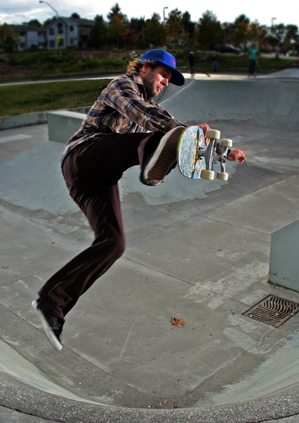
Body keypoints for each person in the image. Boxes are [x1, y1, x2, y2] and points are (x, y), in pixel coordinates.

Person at [32, 49, 246, 351]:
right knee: (157, 137)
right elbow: (144, 115)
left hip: (97, 182)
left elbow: (178, 131)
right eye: (162, 75)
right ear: (145, 67)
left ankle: (51, 304)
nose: (164, 83)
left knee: (113, 243)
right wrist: (183, 134)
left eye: (169, 81)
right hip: (82, 159)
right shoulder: (121, 85)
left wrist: (222, 152)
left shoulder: (152, 103)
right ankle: (151, 165)